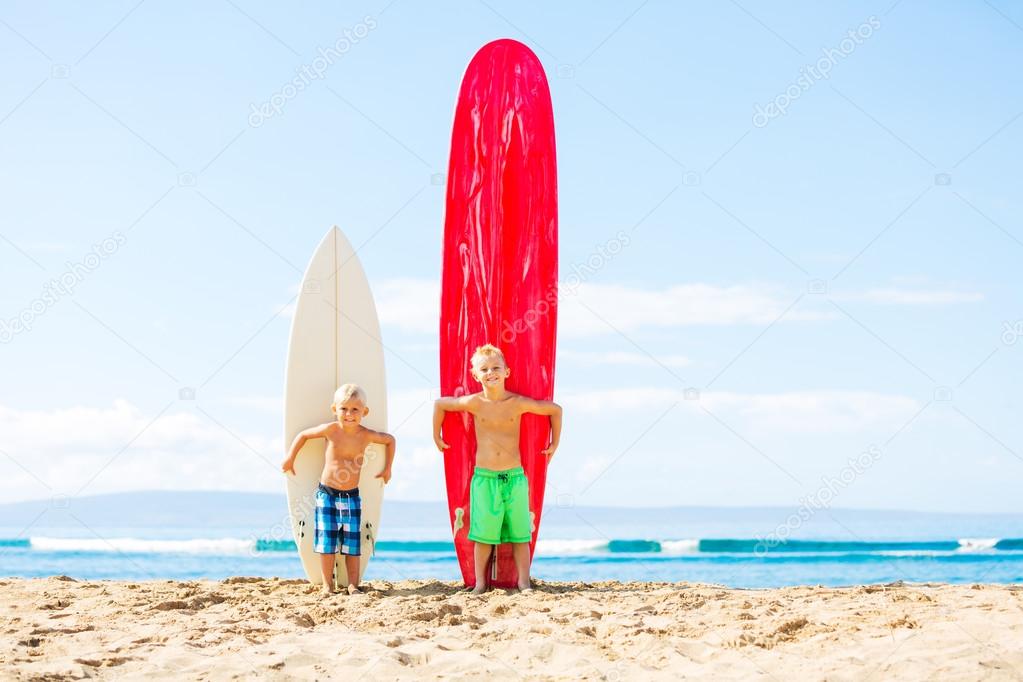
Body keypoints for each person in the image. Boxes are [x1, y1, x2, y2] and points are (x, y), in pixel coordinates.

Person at [433, 344, 562, 593]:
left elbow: (555, 410)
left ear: (507, 372)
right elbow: (440, 404)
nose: (490, 372)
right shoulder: (474, 402)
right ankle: (480, 583)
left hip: (515, 477)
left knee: (520, 533)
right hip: (484, 478)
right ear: (475, 375)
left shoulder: (517, 403)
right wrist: (436, 435)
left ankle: (523, 582)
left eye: (495, 368)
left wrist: (554, 443)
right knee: (483, 534)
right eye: (484, 369)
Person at [282, 383, 395, 595]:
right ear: (335, 409)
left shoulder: (366, 434)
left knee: (353, 543)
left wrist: (388, 468)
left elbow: (390, 440)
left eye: (355, 409)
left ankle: (353, 584)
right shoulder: (331, 430)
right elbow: (304, 436)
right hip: (327, 495)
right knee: (327, 542)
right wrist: (290, 458)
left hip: (352, 496)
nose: (349, 414)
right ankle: (327, 585)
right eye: (344, 409)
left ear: (364, 412)